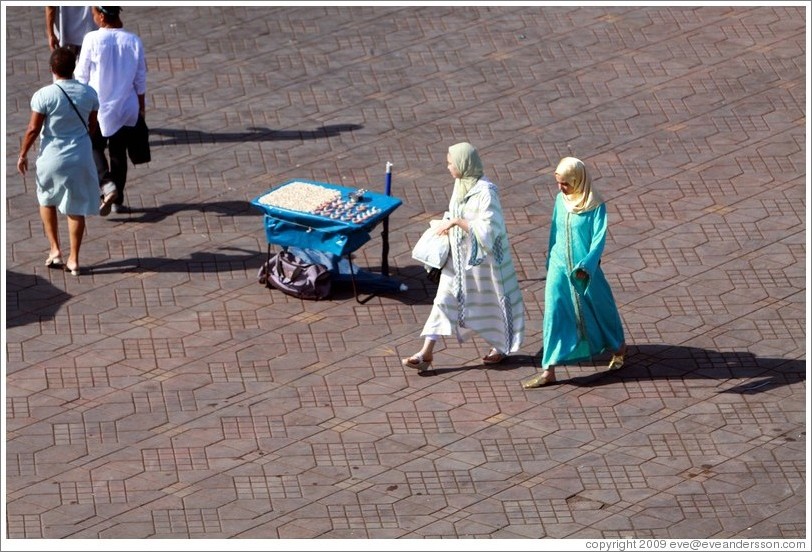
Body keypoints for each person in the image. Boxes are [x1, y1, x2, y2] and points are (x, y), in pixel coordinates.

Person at [401, 142, 525, 372]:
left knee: (486, 304)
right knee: (443, 301)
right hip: (456, 262)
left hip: (482, 264)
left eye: (451, 162)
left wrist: (458, 222)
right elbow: (456, 212)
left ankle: (499, 346)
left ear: (463, 164)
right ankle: (425, 353)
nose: (448, 166)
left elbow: (490, 228)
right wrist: (449, 223)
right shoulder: (460, 185)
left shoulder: (487, 192)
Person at [521, 157, 626, 389]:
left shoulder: (596, 206)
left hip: (584, 270)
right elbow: (554, 231)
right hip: (559, 267)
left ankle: (618, 348)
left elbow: (598, 241)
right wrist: (550, 259)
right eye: (558, 182)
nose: (561, 188)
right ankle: (548, 369)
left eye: (565, 183)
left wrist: (586, 266)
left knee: (600, 306)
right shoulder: (561, 200)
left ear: (578, 180)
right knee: (553, 312)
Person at [17, 47, 100, 277]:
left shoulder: (44, 95)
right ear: (73, 68)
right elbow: (92, 126)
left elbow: (34, 128)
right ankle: (74, 259)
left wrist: (23, 153)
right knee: (76, 207)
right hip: (80, 156)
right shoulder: (89, 94)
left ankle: (55, 250)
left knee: (47, 199)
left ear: (52, 69)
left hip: (51, 157)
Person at [75, 6, 146, 216]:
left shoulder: (92, 39)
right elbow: (140, 79)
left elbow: (81, 76)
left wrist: (79, 104)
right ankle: (118, 201)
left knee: (92, 146)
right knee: (119, 154)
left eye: (95, 14)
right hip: (126, 107)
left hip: (98, 107)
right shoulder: (134, 41)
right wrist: (141, 107)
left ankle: (107, 184)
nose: (94, 18)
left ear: (102, 16)